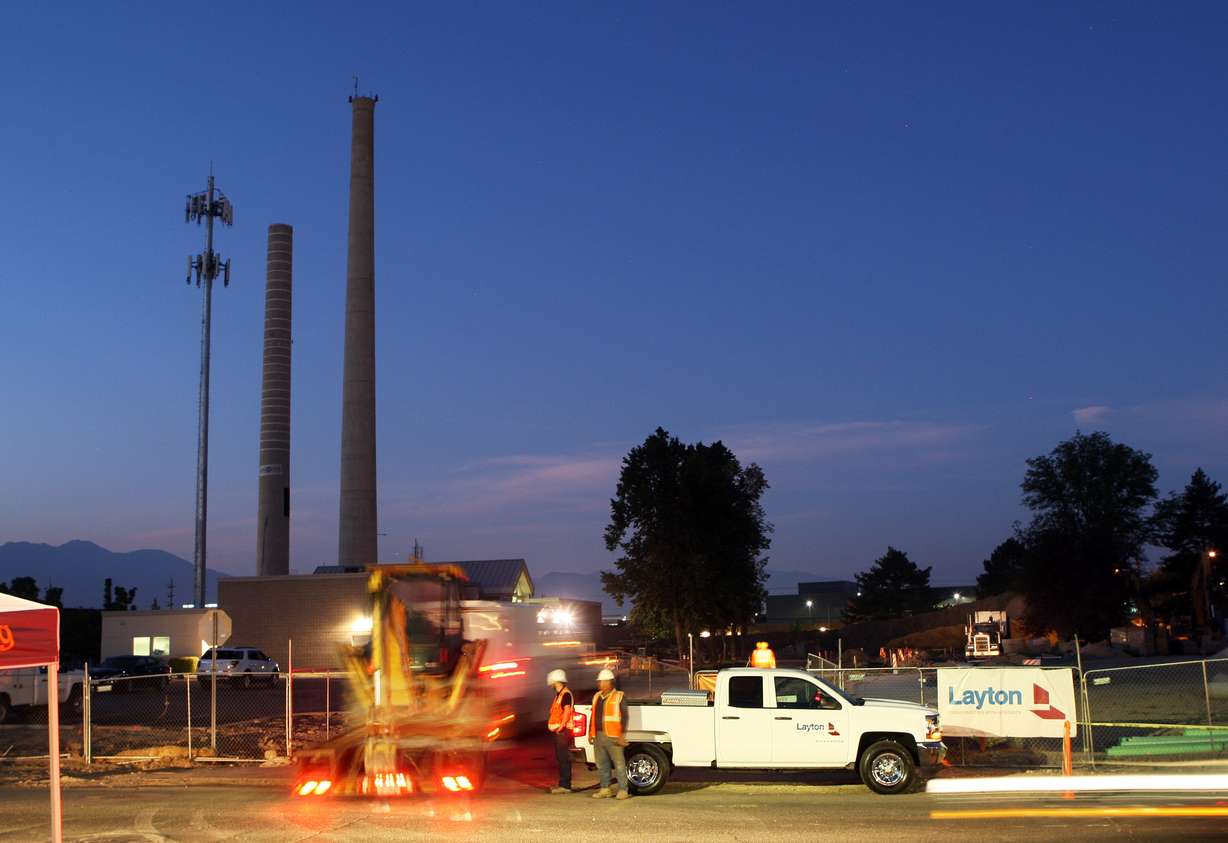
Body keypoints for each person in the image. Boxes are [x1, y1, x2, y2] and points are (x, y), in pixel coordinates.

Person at [588, 668, 630, 800]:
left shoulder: (619, 696)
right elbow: (593, 716)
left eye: (604, 681)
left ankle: (623, 790)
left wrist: (622, 734)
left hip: (614, 735)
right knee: (602, 764)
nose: (602, 684)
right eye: (600, 682)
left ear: (611, 682)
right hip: (599, 735)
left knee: (619, 764)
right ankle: (605, 789)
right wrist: (591, 733)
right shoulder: (596, 696)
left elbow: (625, 716)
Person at [546, 669, 575, 794]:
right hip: (560, 731)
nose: (551, 685)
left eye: (552, 682)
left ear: (556, 681)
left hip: (562, 732)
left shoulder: (565, 694)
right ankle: (563, 784)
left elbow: (567, 711)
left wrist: (561, 726)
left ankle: (565, 786)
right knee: (561, 757)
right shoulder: (560, 694)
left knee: (563, 758)